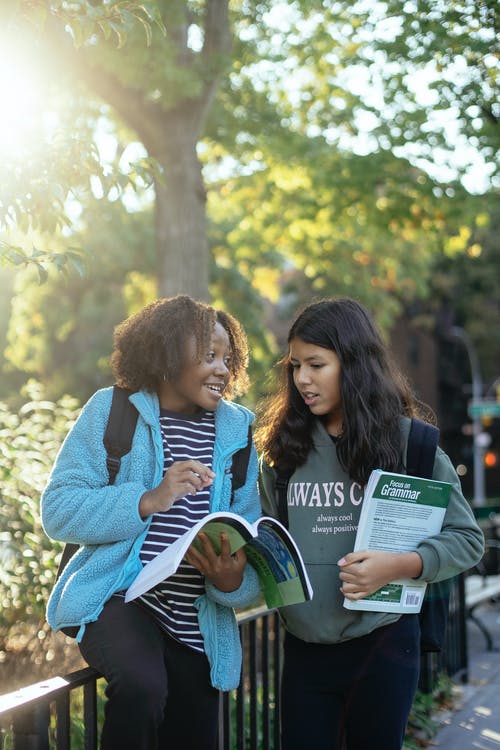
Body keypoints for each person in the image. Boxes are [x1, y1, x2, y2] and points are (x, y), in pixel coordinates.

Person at [255, 297, 484, 750]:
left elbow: (468, 539)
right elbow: (265, 546)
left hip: (383, 646)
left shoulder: (410, 445)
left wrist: (399, 565)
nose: (302, 378)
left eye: (316, 364)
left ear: (354, 363)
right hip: (304, 653)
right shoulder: (280, 453)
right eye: (295, 365)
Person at [41, 295, 262, 750]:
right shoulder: (112, 411)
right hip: (118, 599)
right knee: (143, 688)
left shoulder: (240, 433)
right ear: (165, 354)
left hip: (196, 619)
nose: (222, 369)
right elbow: (59, 510)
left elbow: (248, 540)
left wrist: (232, 577)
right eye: (208, 356)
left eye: (227, 358)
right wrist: (148, 499)